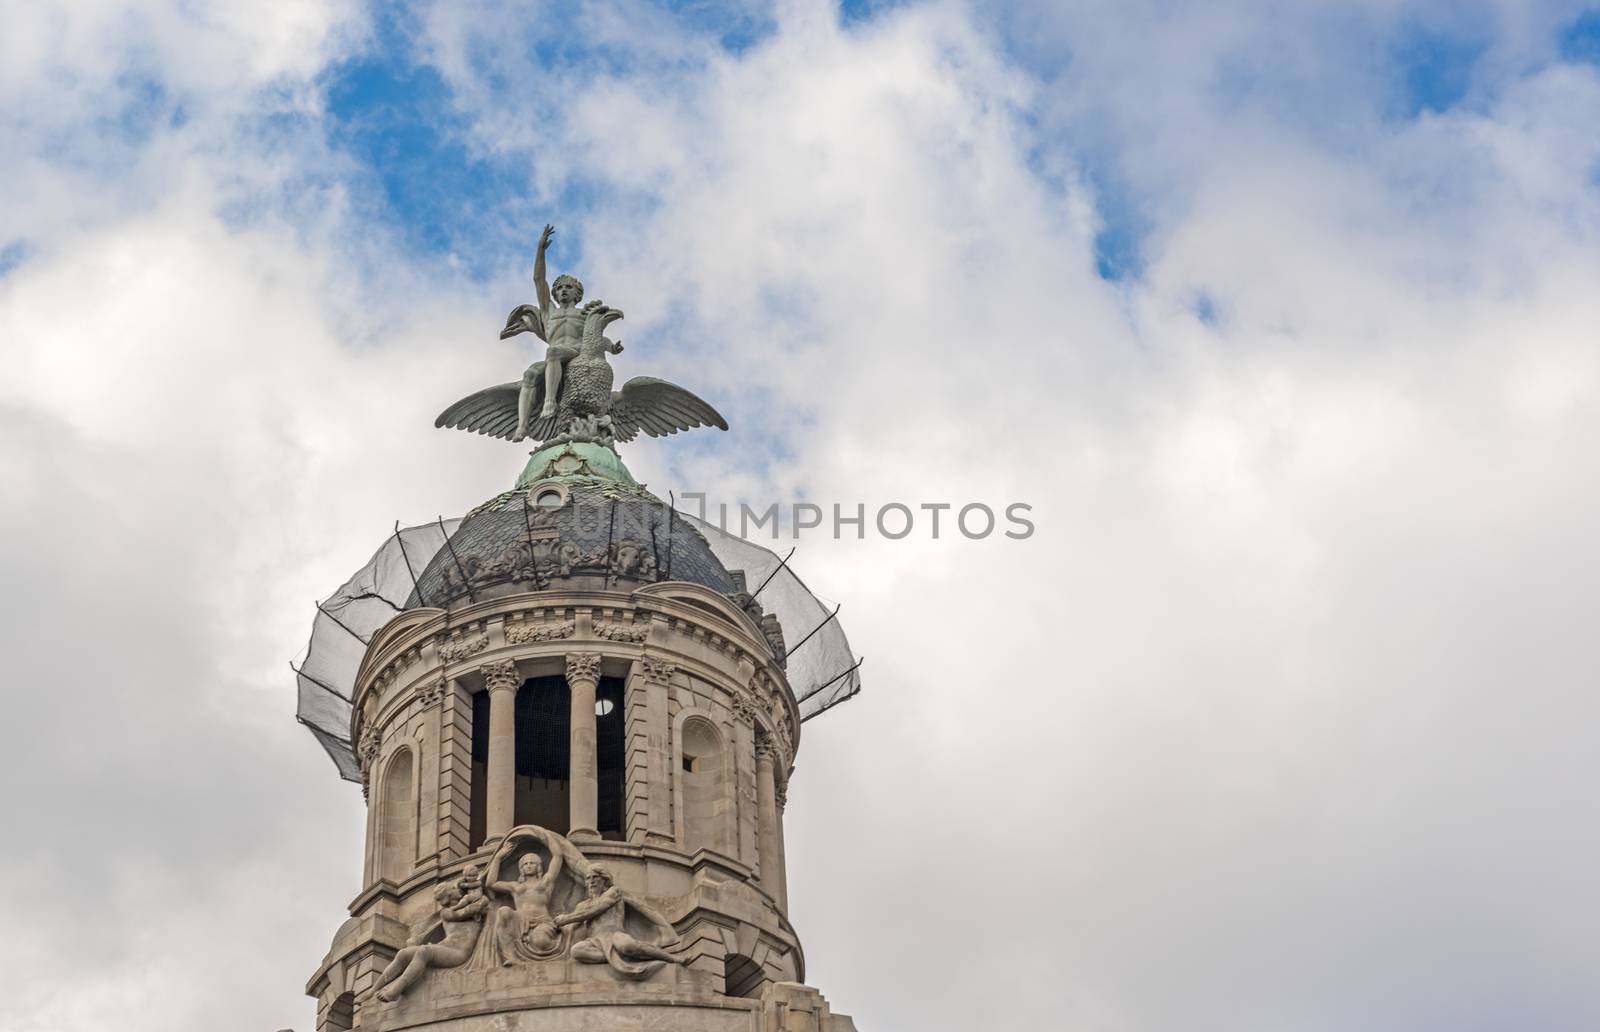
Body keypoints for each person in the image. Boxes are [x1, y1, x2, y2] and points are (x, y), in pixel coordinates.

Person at [502, 224, 589, 440]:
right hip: (555, 358)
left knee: (554, 352)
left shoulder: (584, 314)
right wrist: (540, 250)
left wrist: (612, 348)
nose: (562, 291)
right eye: (559, 288)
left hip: (576, 352)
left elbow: (597, 336)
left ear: (577, 293)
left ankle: (550, 401)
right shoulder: (548, 312)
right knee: (530, 373)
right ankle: (522, 426)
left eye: (568, 287)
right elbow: (538, 280)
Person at [373, 871, 488, 1001]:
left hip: (459, 952)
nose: (458, 890)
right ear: (449, 895)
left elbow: (476, 899)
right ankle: (373, 991)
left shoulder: (470, 905)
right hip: (446, 947)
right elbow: (463, 913)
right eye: (454, 888)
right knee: (403, 954)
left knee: (424, 951)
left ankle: (396, 990)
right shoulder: (447, 912)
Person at [554, 864, 681, 980]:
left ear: (604, 880)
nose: (591, 881)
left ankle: (671, 958)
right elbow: (570, 927)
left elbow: (596, 909)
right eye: (588, 878)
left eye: (595, 877)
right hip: (595, 941)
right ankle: (619, 957)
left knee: (627, 946)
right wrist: (553, 927)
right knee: (576, 950)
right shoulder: (582, 905)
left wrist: (566, 918)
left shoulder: (614, 892)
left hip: (614, 934)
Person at [487, 831, 565, 962]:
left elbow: (558, 856)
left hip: (542, 920)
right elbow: (490, 883)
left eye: (532, 863)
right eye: (525, 864)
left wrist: (546, 837)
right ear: (521, 868)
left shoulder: (545, 882)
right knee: (503, 911)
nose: (529, 866)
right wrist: (498, 858)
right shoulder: (515, 886)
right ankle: (509, 957)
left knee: (541, 942)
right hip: (520, 920)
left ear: (538, 866)